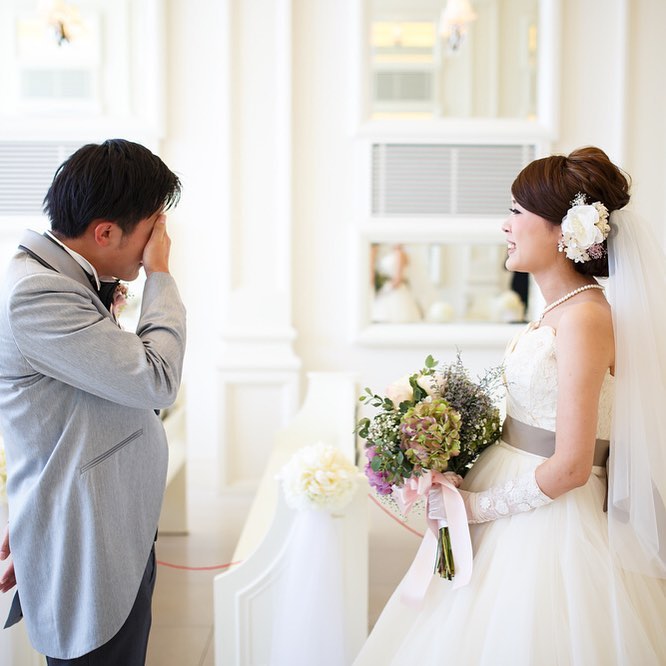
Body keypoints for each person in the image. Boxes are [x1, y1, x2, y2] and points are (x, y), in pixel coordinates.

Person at [354, 146, 666, 664]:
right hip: (516, 486)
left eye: (518, 212)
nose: (505, 225)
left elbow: (570, 466)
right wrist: (452, 458)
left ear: (562, 230)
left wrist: (479, 507)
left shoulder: (586, 318)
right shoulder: (557, 311)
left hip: (554, 520)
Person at [0, 139, 186, 664]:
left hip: (108, 520)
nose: (157, 246)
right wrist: (162, 276)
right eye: (152, 233)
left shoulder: (60, 277)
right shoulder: (39, 292)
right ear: (106, 232)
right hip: (88, 534)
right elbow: (157, 378)